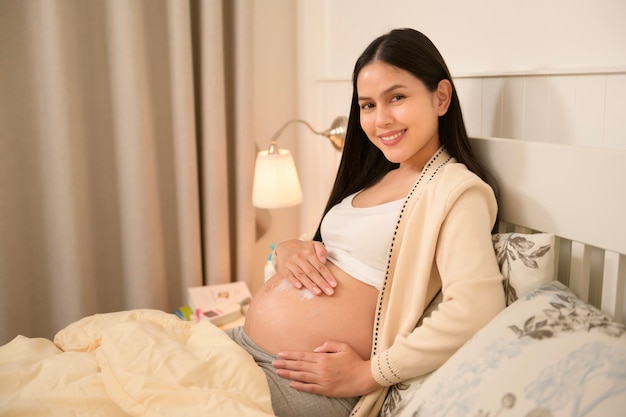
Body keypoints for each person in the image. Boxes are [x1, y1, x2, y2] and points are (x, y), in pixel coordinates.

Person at [228, 28, 506, 417]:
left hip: (305, 381)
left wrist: (369, 374)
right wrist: (286, 250)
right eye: (369, 105)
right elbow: (322, 252)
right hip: (243, 344)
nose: (381, 119)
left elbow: (476, 306)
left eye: (397, 97)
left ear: (441, 97)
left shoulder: (454, 190)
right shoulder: (370, 177)